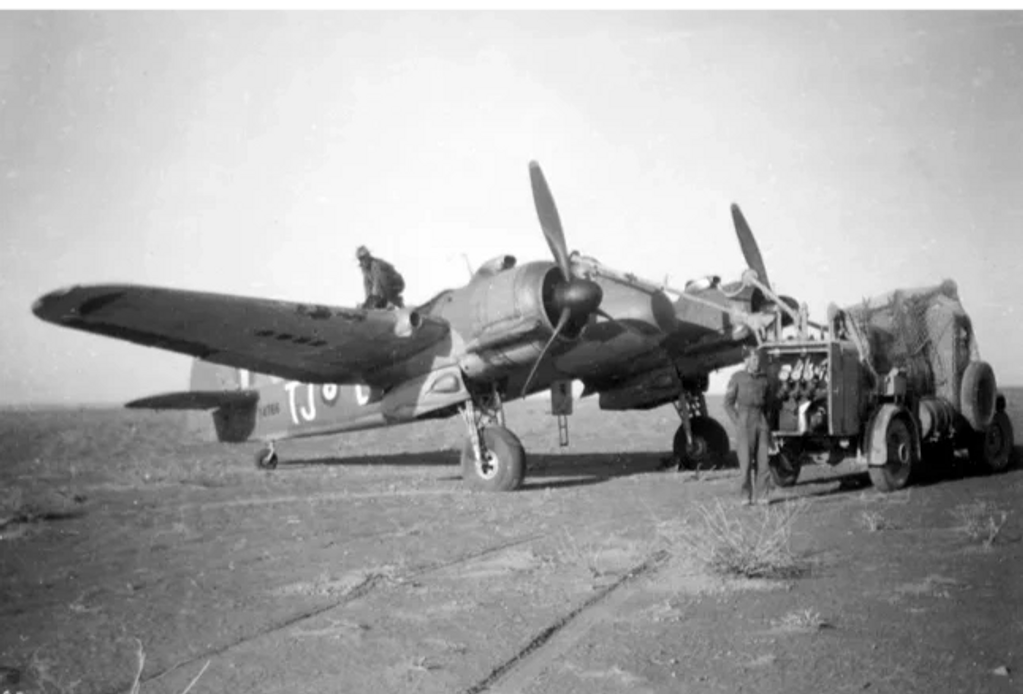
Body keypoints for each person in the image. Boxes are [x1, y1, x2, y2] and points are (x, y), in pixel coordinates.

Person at [724, 347, 775, 505]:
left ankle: (762, 496)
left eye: (757, 358)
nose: (756, 361)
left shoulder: (764, 379)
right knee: (745, 463)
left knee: (763, 462)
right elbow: (728, 404)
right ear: (745, 360)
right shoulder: (737, 378)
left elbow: (769, 403)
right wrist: (738, 422)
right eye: (753, 359)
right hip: (744, 421)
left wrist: (767, 424)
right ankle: (745, 497)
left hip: (761, 420)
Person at [356, 245, 405, 310]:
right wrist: (367, 303)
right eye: (361, 258)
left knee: (381, 281)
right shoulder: (365, 270)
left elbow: (377, 284)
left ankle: (391, 302)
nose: (364, 260)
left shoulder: (375, 265)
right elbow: (367, 287)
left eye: (365, 257)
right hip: (386, 287)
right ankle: (391, 302)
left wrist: (370, 303)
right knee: (377, 298)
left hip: (396, 283)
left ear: (368, 256)